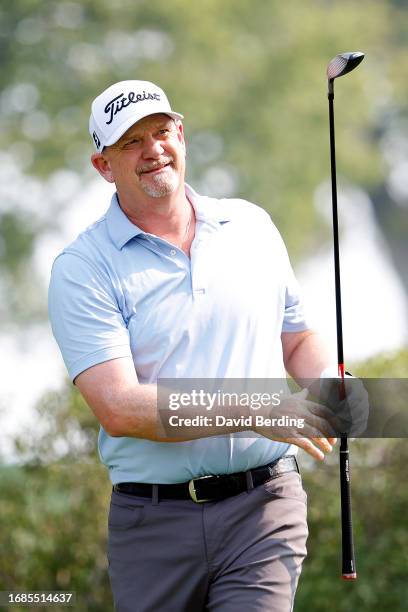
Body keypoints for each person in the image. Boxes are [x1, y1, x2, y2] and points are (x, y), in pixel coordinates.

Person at [48, 80, 364, 611]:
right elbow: (120, 409)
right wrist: (255, 408)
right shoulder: (83, 269)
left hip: (264, 508)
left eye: (161, 131)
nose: (153, 149)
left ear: (182, 136)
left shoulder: (251, 226)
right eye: (131, 142)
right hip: (153, 523)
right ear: (104, 166)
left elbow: (297, 339)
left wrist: (329, 383)